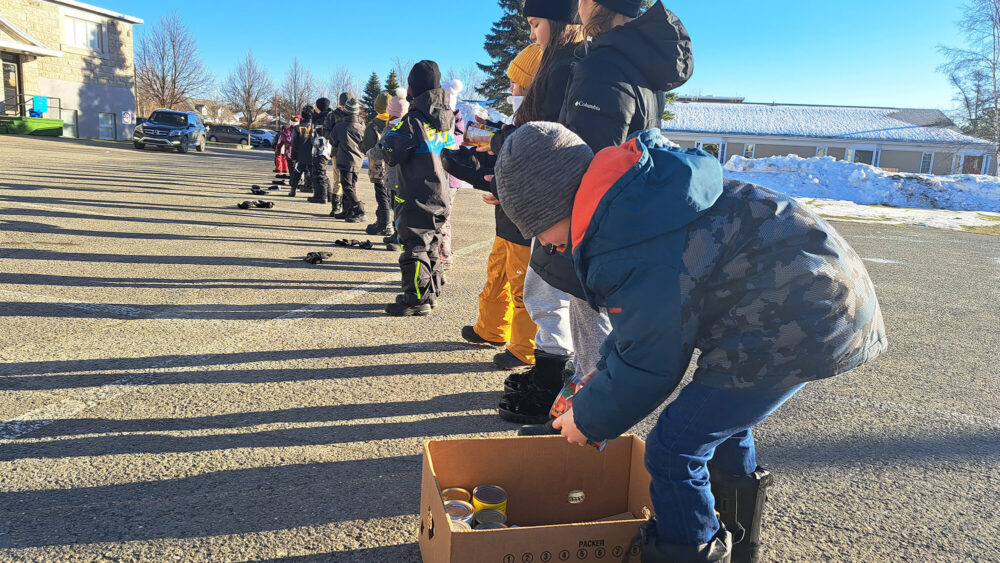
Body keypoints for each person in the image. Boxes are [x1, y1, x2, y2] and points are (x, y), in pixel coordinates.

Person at [495, 122, 888, 563]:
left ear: (559, 203)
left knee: (673, 449)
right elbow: (644, 331)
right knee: (717, 420)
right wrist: (600, 373)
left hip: (797, 318)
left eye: (541, 230)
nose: (544, 243)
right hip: (817, 300)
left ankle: (690, 549)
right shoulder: (634, 201)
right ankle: (739, 540)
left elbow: (652, 364)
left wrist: (588, 418)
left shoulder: (623, 241)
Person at [532, 0, 693, 425]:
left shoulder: (604, 65)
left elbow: (582, 161)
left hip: (598, 229)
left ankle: (591, 435)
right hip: (631, 219)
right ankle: (594, 422)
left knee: (594, 334)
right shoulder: (642, 63)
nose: (579, 8)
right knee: (605, 333)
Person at [487, 0, 588, 423]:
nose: (532, 33)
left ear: (559, 22)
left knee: (560, 296)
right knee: (543, 289)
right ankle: (551, 371)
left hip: (561, 205)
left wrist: (510, 171)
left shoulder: (569, 69)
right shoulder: (562, 65)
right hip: (554, 203)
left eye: (535, 23)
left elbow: (551, 143)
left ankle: (567, 391)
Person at [447, 44, 543, 380]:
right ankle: (490, 328)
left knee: (522, 286)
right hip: (506, 219)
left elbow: (536, 175)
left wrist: (499, 188)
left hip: (524, 221)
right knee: (498, 272)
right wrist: (484, 172)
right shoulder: (522, 121)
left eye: (517, 84)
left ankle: (524, 348)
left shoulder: (540, 124)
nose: (511, 90)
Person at [380, 60, 455, 316]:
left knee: (414, 245)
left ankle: (415, 297)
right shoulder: (446, 119)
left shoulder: (412, 122)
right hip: (440, 192)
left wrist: (384, 138)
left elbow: (390, 149)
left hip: (416, 192)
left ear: (412, 90)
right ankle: (431, 293)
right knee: (432, 242)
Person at [438, 78, 466, 271]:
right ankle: (444, 253)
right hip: (452, 179)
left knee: (441, 217)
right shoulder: (458, 122)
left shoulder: (448, 126)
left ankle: (443, 255)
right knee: (444, 217)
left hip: (447, 178)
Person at [362, 92, 394, 235]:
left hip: (377, 165)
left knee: (380, 193)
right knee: (389, 193)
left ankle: (385, 223)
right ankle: (384, 220)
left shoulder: (373, 125)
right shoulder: (395, 122)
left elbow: (367, 146)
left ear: (377, 108)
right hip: (392, 164)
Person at [331, 97, 367, 222]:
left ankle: (360, 210)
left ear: (346, 110)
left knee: (347, 186)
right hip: (358, 159)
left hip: (345, 159)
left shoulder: (340, 125)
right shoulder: (362, 125)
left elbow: (333, 141)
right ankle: (349, 210)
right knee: (352, 185)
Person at [307, 97, 335, 207]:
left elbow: (320, 134)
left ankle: (321, 196)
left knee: (318, 173)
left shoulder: (323, 119)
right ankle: (328, 194)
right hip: (320, 148)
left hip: (322, 149)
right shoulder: (322, 117)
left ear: (319, 107)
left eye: (316, 105)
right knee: (321, 172)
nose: (314, 107)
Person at [289, 106, 315, 197]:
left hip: (301, 155)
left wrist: (293, 156)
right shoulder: (315, 127)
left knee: (297, 173)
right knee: (314, 173)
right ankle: (316, 192)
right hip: (313, 155)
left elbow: (294, 143)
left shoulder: (297, 128)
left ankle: (293, 190)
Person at [274, 115, 297, 180]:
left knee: (292, 168)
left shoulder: (286, 131)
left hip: (289, 154)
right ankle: (300, 180)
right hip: (301, 153)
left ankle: (293, 181)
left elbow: (279, 143)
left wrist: (277, 152)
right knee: (300, 168)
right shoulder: (302, 130)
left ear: (290, 122)